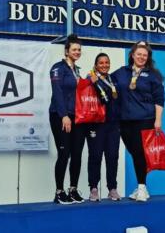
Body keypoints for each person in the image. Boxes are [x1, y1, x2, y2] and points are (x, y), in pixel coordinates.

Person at [112, 42, 165, 202]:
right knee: (135, 153)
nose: (141, 57)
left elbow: (160, 99)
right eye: (139, 54)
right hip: (125, 120)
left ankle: (142, 187)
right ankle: (142, 187)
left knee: (140, 153)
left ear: (147, 58)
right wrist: (91, 77)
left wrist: (158, 120)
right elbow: (107, 80)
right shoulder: (122, 72)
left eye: (145, 55)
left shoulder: (153, 75)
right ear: (132, 55)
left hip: (145, 119)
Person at [49, 34, 86, 204]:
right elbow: (57, 93)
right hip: (60, 115)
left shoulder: (77, 70)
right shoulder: (57, 68)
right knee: (64, 153)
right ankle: (59, 192)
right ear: (66, 51)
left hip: (76, 117)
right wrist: (64, 115)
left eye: (79, 49)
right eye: (74, 49)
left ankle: (73, 189)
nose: (77, 52)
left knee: (77, 153)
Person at [86, 53, 122, 202]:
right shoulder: (90, 78)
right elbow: (97, 98)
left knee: (112, 156)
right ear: (96, 65)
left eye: (107, 62)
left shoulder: (113, 79)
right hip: (96, 124)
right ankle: (93, 188)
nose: (104, 65)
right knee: (95, 156)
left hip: (113, 124)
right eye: (101, 63)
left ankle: (112, 188)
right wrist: (93, 83)